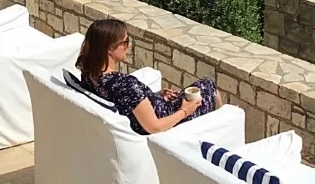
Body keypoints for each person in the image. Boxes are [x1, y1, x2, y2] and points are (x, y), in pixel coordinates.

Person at [77, 18, 223, 135]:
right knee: (209, 86)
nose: (128, 46)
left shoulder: (89, 75)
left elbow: (128, 102)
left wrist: (154, 96)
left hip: (156, 109)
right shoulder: (125, 84)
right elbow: (155, 127)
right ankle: (224, 121)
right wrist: (185, 111)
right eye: (125, 42)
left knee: (200, 88)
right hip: (170, 119)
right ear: (109, 48)